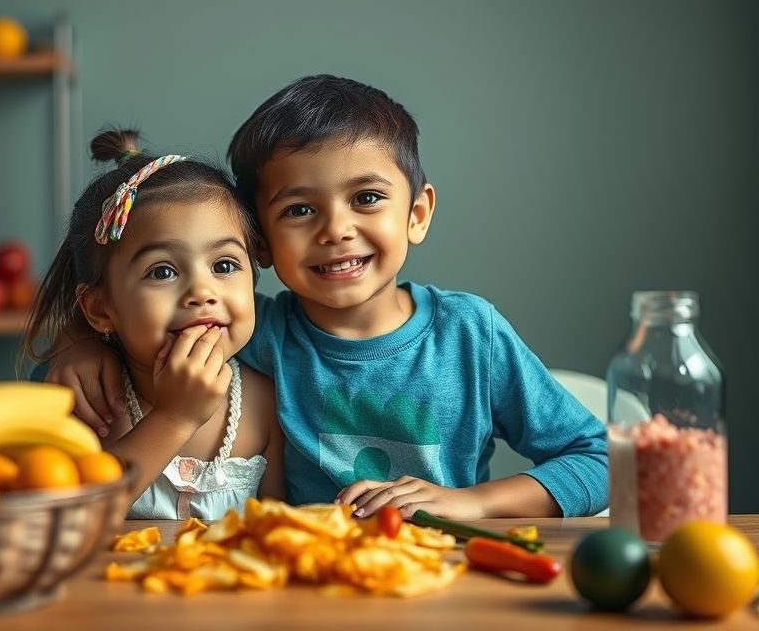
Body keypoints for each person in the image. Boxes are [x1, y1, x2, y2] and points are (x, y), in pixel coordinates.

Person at [43, 78, 608, 519]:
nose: (336, 229)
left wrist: (476, 503)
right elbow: (145, 323)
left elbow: (602, 460)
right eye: (299, 209)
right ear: (261, 244)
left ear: (416, 214)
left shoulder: (471, 335)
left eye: (366, 197)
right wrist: (82, 346)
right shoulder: (254, 330)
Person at [24, 129, 283, 519]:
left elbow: (282, 534)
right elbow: (68, 522)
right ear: (100, 309)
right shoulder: (90, 405)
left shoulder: (267, 401)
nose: (202, 291)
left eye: (224, 265)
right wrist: (175, 418)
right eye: (162, 272)